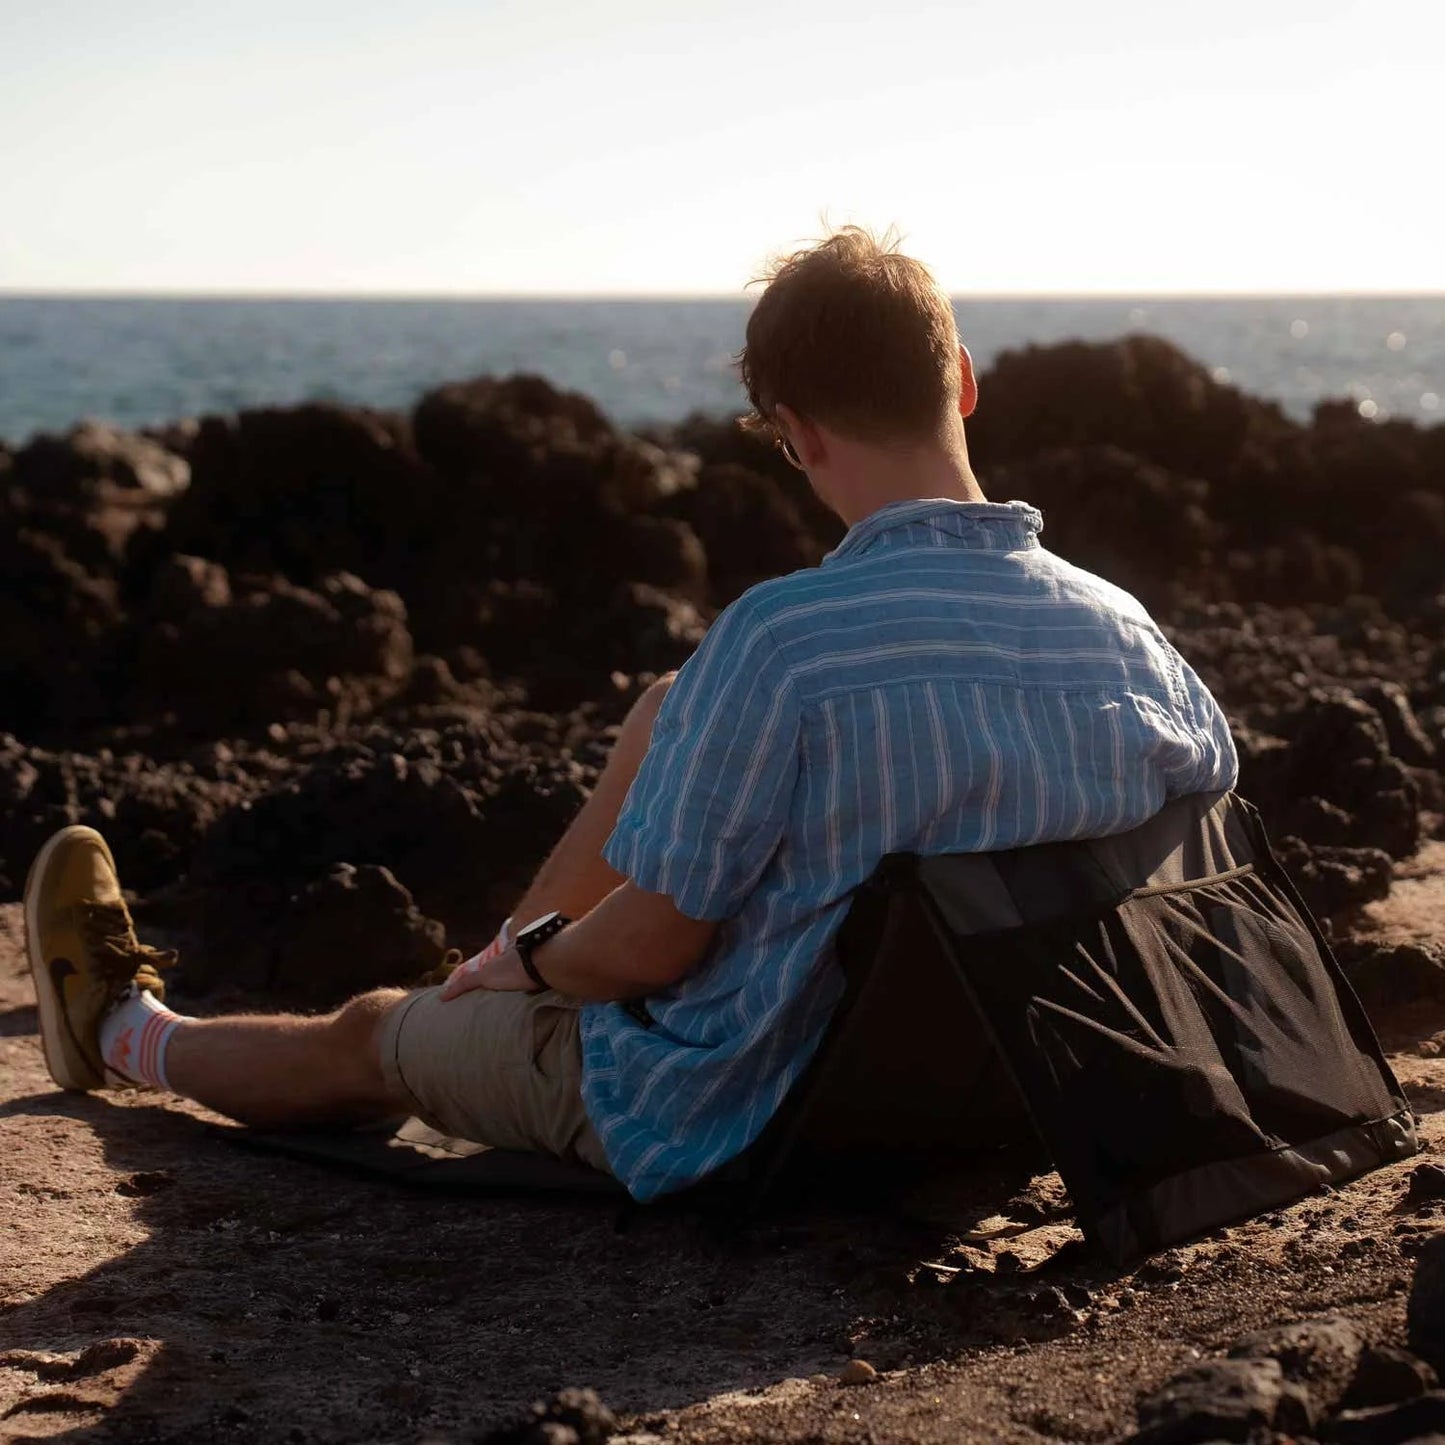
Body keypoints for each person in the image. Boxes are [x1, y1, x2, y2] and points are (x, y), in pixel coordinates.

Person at [24, 227, 1238, 1203]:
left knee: (370, 1029)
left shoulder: (781, 639)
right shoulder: (1127, 632)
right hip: (1023, 1100)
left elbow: (648, 951)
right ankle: (492, 978)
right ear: (962, 385)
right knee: (673, 707)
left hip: (751, 1116)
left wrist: (533, 957)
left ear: (791, 436)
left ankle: (126, 1029)